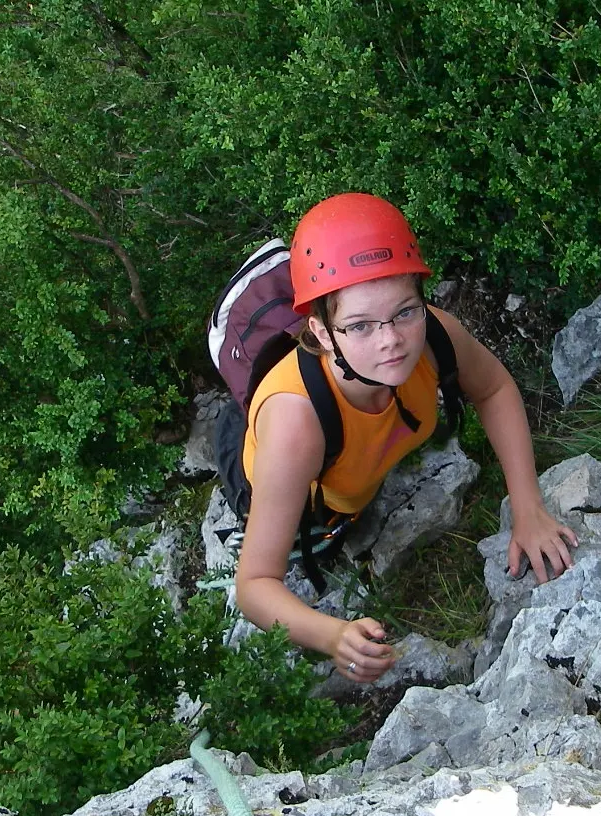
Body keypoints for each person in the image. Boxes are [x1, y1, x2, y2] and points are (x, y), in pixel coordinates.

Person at [234, 192, 578, 684]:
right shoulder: (296, 424)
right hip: (294, 483)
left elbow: (496, 388)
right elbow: (255, 582)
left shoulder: (435, 336)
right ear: (323, 333)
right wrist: (330, 635)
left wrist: (527, 505)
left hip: (353, 460)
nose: (391, 339)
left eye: (404, 312)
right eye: (360, 325)